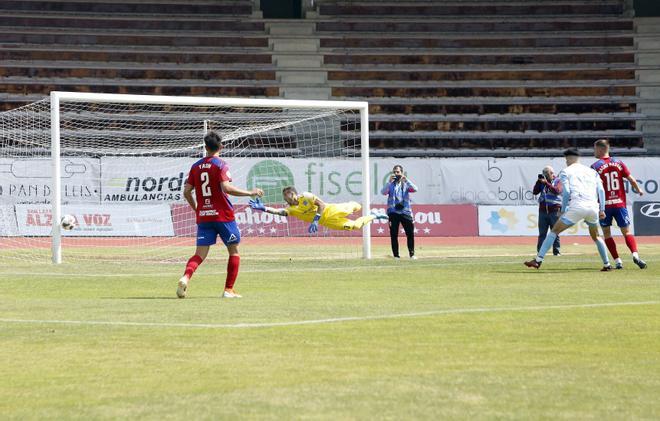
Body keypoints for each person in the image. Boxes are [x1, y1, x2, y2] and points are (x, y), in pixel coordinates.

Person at [177, 131, 263, 299]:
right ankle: (228, 290)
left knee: (199, 254)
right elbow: (227, 188)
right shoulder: (221, 165)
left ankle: (186, 277)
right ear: (221, 147)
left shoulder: (195, 166)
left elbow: (187, 192)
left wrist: (197, 209)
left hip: (204, 217)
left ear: (205, 147)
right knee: (234, 251)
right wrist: (250, 192)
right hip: (223, 215)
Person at [525, 149, 612, 271]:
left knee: (554, 231)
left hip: (577, 206)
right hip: (593, 207)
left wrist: (563, 209)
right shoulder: (592, 172)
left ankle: (538, 260)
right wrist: (602, 209)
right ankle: (607, 264)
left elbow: (566, 192)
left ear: (570, 158)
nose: (565, 161)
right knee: (596, 236)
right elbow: (601, 191)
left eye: (566, 159)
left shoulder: (566, 172)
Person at [591, 138, 647, 269]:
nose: (594, 151)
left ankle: (617, 261)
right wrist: (639, 189)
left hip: (605, 206)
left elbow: (592, 186)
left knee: (607, 234)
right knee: (626, 232)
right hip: (619, 204)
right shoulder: (618, 162)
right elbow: (631, 179)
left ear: (601, 149)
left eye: (595, 149)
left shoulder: (595, 166)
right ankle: (635, 255)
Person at [248, 186, 387, 232]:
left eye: (286, 196)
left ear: (293, 194)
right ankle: (374, 215)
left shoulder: (306, 196)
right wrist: (264, 208)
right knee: (355, 226)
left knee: (357, 206)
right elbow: (280, 212)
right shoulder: (290, 209)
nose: (285, 199)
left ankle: (353, 204)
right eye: (284, 197)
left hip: (331, 211)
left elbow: (321, 205)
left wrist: (315, 220)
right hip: (327, 222)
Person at [381, 164, 418, 260]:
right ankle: (396, 256)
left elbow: (415, 189)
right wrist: (388, 182)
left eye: (398, 172)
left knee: (410, 234)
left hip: (405, 212)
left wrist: (406, 180)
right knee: (394, 235)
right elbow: (383, 192)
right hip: (393, 212)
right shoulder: (390, 185)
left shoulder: (406, 184)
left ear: (402, 173)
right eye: (394, 172)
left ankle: (412, 254)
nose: (396, 174)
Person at [533, 165, 562, 256]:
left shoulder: (558, 181)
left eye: (547, 173)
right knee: (542, 233)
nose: (545, 175)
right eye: (544, 173)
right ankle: (540, 252)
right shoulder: (542, 182)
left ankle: (556, 251)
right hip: (543, 211)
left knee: (555, 231)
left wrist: (546, 183)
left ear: (552, 173)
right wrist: (538, 182)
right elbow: (535, 191)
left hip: (554, 209)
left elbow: (557, 191)